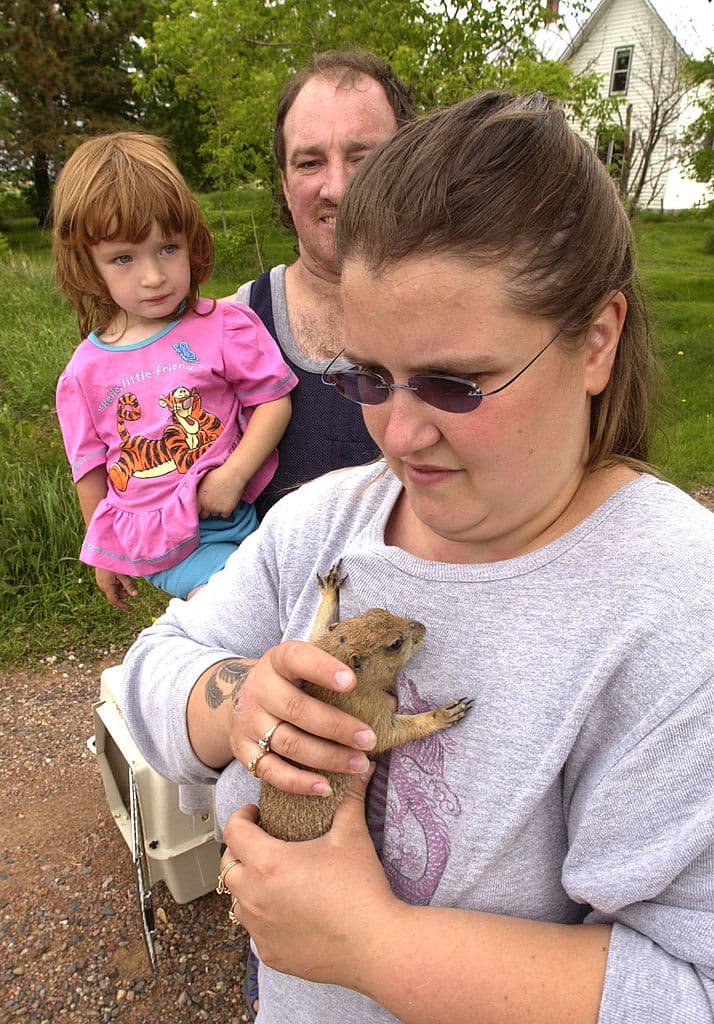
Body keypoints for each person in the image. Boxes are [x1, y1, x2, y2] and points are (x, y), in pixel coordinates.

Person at [122, 91, 714, 1024]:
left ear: (595, 341)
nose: (399, 434)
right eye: (367, 375)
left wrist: (375, 949)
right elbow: (152, 669)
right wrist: (239, 704)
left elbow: (690, 987)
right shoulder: (327, 525)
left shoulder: (674, 608)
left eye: (455, 382)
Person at [53, 132, 297, 606]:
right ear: (89, 266)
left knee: (282, 604)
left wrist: (235, 474)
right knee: (237, 605)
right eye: (123, 258)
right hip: (163, 546)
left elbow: (272, 400)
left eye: (168, 248)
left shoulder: (223, 326)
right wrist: (101, 553)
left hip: (236, 515)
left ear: (191, 241)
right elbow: (89, 468)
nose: (153, 276)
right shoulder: (84, 372)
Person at [233, 50, 414, 517]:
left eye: (363, 157)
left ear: (409, 165)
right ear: (285, 182)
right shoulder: (231, 330)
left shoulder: (471, 321)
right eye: (310, 163)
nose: (338, 187)